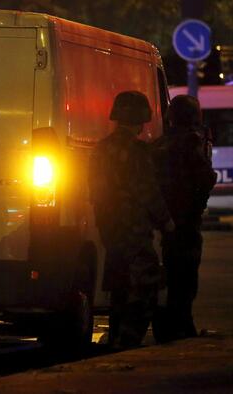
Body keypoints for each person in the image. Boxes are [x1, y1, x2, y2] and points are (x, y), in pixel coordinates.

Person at [89, 91, 174, 348]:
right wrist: (166, 221)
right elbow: (147, 190)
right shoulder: (138, 151)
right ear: (141, 119)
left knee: (118, 285)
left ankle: (115, 336)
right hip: (134, 228)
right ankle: (127, 340)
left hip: (109, 227)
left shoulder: (100, 149)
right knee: (145, 284)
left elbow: (94, 191)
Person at [152, 95, 216, 341]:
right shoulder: (190, 142)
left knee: (169, 276)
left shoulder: (160, 144)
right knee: (185, 279)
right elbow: (205, 177)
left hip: (164, 221)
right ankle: (181, 327)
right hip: (185, 222)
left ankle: (168, 327)